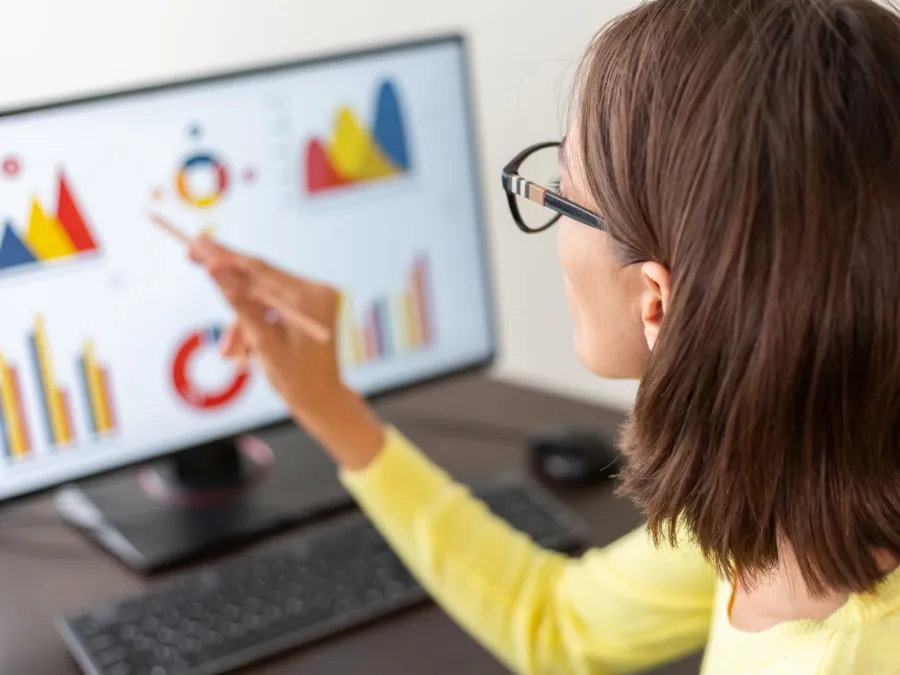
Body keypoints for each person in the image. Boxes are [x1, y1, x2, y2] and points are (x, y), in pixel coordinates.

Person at [187, 0, 900, 671]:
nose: (552, 227)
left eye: (562, 193)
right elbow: (558, 620)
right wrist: (332, 409)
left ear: (657, 301)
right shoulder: (794, 485)